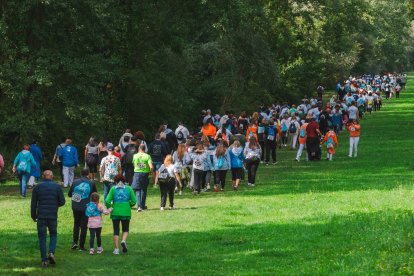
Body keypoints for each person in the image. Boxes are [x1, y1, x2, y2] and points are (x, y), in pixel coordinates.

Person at [31, 170, 65, 268]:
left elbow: (33, 204)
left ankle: (44, 260)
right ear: (52, 177)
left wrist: (33, 215)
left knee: (42, 237)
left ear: (43, 176)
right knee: (53, 234)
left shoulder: (37, 187)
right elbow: (62, 201)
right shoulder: (57, 187)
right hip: (52, 215)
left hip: (41, 216)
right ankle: (51, 252)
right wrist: (55, 205)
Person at [105, 174, 136, 255]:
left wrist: (110, 207)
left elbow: (107, 201)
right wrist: (129, 205)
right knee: (125, 229)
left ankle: (116, 249)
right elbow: (134, 201)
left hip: (115, 212)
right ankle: (123, 240)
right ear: (124, 180)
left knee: (116, 230)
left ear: (115, 181)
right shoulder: (129, 188)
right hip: (126, 212)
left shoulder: (113, 189)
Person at [68, 168, 97, 251]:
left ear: (81, 174)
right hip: (86, 207)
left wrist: (78, 196)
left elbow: (70, 194)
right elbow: (95, 195)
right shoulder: (91, 183)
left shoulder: (75, 182)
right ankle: (81, 245)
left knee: (76, 224)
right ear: (89, 174)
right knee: (84, 226)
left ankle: (75, 242)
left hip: (76, 206)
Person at [131, 144, 154, 211]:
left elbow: (133, 164)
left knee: (137, 190)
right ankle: (143, 205)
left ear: (139, 148)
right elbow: (151, 166)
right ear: (145, 149)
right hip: (145, 174)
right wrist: (151, 172)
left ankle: (139, 206)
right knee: (144, 189)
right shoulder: (147, 156)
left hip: (137, 173)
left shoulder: (135, 156)